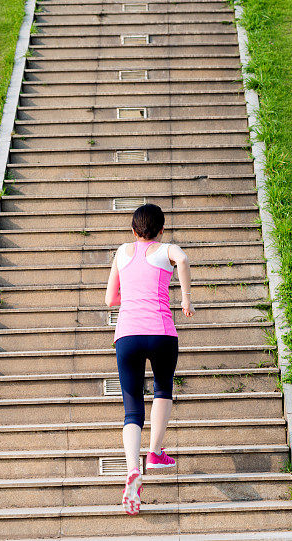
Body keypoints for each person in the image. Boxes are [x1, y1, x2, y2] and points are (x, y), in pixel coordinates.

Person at [104, 203, 194, 515]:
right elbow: (181, 258)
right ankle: (154, 453)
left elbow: (109, 299)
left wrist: (128, 297)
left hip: (127, 335)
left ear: (133, 230)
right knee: (163, 389)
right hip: (160, 332)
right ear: (160, 230)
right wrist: (185, 298)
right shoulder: (167, 249)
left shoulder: (122, 251)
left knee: (131, 407)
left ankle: (132, 469)